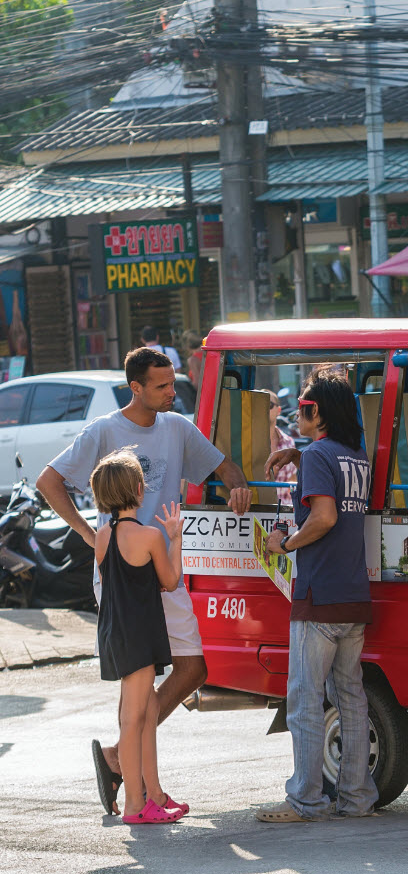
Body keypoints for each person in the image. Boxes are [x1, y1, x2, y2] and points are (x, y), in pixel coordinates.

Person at [38, 347, 252, 814]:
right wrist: (87, 532)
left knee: (192, 668)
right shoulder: (103, 431)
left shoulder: (176, 427)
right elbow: (48, 481)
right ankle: (139, 786)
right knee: (134, 684)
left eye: (172, 383)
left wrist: (237, 484)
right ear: (135, 387)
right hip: (121, 572)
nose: (172, 393)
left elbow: (223, 465)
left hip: (163, 564)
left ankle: (121, 754)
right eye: (161, 386)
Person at [256, 368, 377, 821]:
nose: (299, 412)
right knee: (351, 698)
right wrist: (300, 450)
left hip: (319, 592)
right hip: (352, 594)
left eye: (306, 407)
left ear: (320, 413)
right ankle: (357, 797)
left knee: (305, 700)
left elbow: (323, 517)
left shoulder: (319, 457)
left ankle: (305, 798)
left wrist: (284, 543)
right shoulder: (354, 454)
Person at [89, 451, 186, 823]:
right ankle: (135, 805)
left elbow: (119, 584)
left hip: (117, 632)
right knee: (133, 719)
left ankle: (155, 795)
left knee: (145, 714)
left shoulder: (102, 537)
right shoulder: (149, 536)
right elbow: (170, 581)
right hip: (141, 634)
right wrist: (174, 538)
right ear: (138, 490)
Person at [268, 394, 297, 506]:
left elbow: (292, 478)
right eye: (260, 405)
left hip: (285, 509)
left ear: (278, 410)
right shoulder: (248, 441)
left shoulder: (289, 442)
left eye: (269, 404)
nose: (264, 408)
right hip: (257, 510)